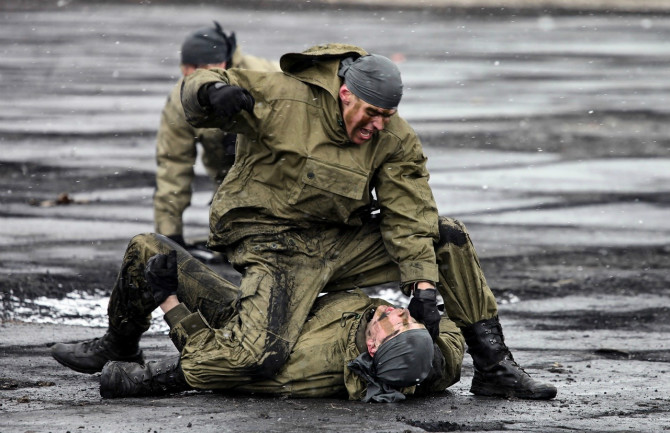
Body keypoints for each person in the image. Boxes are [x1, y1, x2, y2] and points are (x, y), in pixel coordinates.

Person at [52, 43, 557, 400]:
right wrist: (211, 96)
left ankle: (495, 368)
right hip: (274, 243)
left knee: (446, 233)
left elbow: (409, 211)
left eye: (388, 115)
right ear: (345, 94)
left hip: (339, 241)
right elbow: (201, 82)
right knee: (257, 356)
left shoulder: (394, 136)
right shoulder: (284, 96)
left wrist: (423, 284)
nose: (378, 124)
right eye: (372, 112)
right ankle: (119, 343)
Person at [54, 233, 464, 402]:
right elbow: (448, 340)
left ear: (372, 347)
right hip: (274, 309)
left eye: (395, 323)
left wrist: (169, 301)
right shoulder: (429, 362)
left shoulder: (310, 357)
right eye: (405, 320)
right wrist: (424, 316)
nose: (394, 311)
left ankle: (120, 346)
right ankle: (120, 342)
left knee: (148, 248)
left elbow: (215, 361)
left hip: (234, 332)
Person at [153, 21, 278, 251]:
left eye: (199, 69)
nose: (190, 76)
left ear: (222, 62)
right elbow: (173, 165)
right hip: (229, 184)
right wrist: (170, 235)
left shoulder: (266, 77)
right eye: (186, 69)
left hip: (279, 175)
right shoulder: (180, 102)